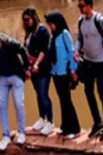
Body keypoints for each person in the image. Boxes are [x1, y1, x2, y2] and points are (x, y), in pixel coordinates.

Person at [76, 0, 103, 142]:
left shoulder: (100, 20)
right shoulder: (81, 21)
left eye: (82, 6)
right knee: (88, 91)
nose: (80, 8)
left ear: (90, 6)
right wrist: (76, 49)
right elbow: (79, 39)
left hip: (101, 62)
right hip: (87, 62)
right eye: (79, 6)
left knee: (102, 94)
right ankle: (98, 122)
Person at [45, 11, 80, 139]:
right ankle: (65, 126)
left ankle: (74, 128)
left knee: (67, 100)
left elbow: (71, 52)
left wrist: (73, 70)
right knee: (62, 100)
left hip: (65, 72)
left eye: (51, 24)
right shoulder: (53, 36)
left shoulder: (64, 34)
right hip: (55, 72)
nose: (50, 27)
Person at [22, 8, 54, 136]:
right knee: (38, 94)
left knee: (43, 94)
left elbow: (43, 50)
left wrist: (37, 64)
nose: (26, 23)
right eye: (24, 20)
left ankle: (50, 122)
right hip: (32, 68)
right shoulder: (29, 32)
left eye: (27, 20)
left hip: (43, 68)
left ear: (34, 18)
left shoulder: (42, 31)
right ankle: (42, 118)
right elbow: (26, 49)